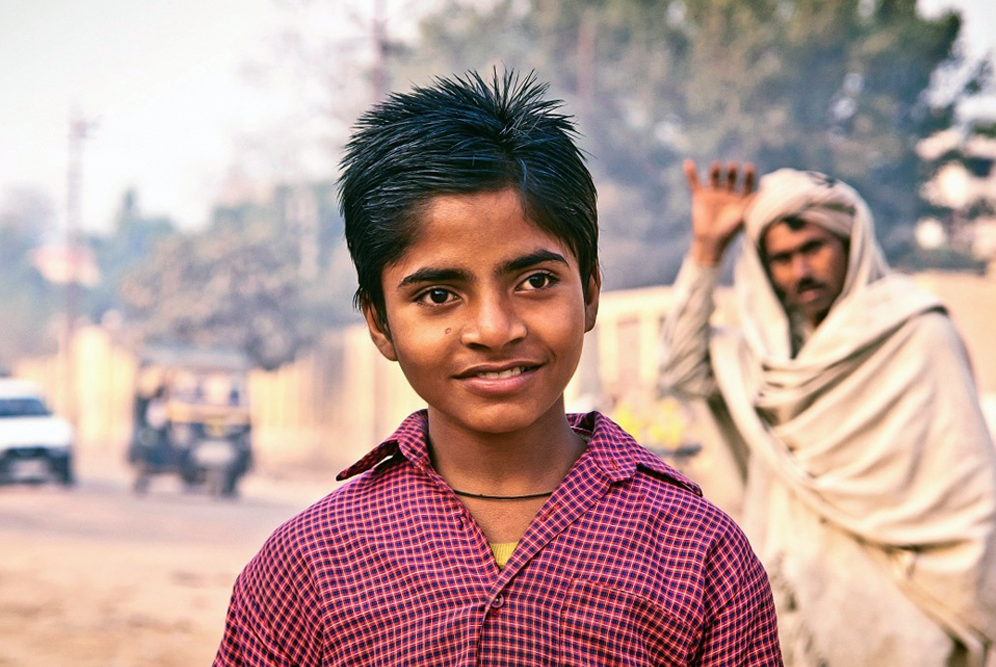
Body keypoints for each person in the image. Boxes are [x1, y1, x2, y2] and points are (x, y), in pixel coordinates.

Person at [213, 72, 781, 666]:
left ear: (589, 294)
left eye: (535, 281)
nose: (494, 328)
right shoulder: (309, 564)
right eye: (438, 295)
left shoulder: (699, 553)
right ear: (380, 323)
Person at [659, 160, 996, 666]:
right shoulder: (765, 363)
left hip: (905, 620)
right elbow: (680, 368)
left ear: (850, 245)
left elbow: (968, 494)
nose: (800, 271)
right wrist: (707, 250)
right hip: (795, 621)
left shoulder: (916, 333)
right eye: (781, 258)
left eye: (813, 249)